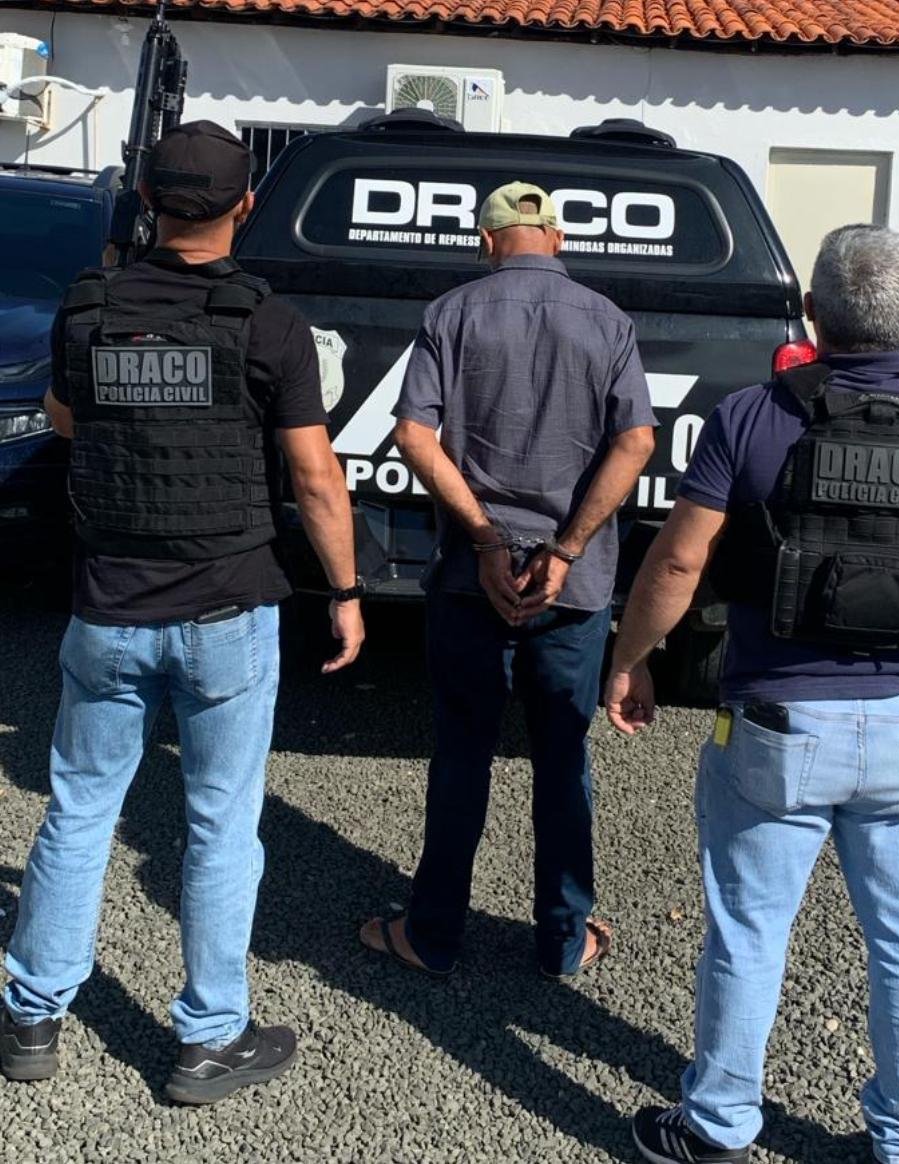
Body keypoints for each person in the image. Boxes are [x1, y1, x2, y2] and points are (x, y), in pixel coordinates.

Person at [606, 225, 899, 1164]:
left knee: (747, 934)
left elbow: (679, 561)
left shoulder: (751, 417)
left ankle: (718, 1127)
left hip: (779, 726)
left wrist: (633, 658)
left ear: (811, 312)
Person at [0, 122, 366, 1104]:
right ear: (245, 206)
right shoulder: (268, 324)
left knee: (79, 808)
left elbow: (66, 420)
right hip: (226, 614)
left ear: (149, 205)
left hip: (108, 609)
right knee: (219, 824)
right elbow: (315, 479)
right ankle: (208, 1038)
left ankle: (31, 1013)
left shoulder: (87, 307)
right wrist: (344, 593)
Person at [360, 181, 656, 979]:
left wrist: (488, 539)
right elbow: (636, 442)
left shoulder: (451, 313)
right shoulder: (609, 321)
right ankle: (563, 940)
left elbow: (413, 435)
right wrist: (566, 549)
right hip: (573, 587)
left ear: (486, 241)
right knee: (563, 761)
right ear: (557, 238)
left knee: (462, 753)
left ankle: (431, 933)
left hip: (470, 578)